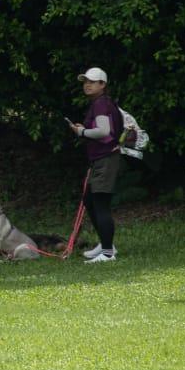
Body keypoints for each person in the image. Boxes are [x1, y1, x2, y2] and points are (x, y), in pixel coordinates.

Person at [68, 67, 122, 263]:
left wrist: (82, 132)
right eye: (85, 81)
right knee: (90, 200)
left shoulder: (101, 103)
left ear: (103, 85)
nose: (87, 84)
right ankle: (106, 243)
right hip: (101, 159)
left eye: (92, 81)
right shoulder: (101, 103)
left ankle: (108, 252)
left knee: (100, 203)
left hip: (106, 159)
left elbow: (103, 131)